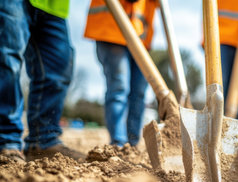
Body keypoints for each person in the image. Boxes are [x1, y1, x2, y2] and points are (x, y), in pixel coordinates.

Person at [0, 0, 85, 163]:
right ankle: (5, 139)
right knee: (7, 60)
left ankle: (43, 141)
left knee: (58, 70)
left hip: (53, 5)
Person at [84, 0, 157, 146]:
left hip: (140, 36)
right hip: (112, 28)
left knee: (139, 92)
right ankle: (118, 143)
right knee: (119, 87)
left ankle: (132, 144)